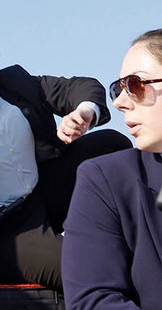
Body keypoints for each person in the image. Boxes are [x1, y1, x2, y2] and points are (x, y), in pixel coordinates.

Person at [0, 24, 131, 289]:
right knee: (93, 269)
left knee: (112, 145)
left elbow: (81, 88)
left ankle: (126, 232)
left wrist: (84, 114)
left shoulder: (16, 82)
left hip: (40, 197)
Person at [62, 29, 162, 309]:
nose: (119, 102)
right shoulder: (106, 181)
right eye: (118, 89)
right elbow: (92, 300)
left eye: (135, 85)